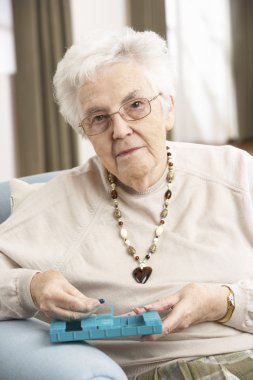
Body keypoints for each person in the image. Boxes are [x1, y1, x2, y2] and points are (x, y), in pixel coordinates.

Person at [0, 27, 253, 380]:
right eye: (99, 118)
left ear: (167, 110)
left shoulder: (235, 173)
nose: (119, 130)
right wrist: (31, 287)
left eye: (135, 105)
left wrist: (223, 301)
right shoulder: (60, 202)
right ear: (85, 132)